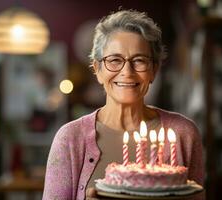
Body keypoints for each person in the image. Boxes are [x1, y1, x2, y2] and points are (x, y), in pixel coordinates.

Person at [42, 9, 204, 200]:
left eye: (139, 60)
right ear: (98, 70)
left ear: (154, 69)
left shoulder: (184, 134)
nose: (127, 71)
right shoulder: (70, 139)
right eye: (114, 60)